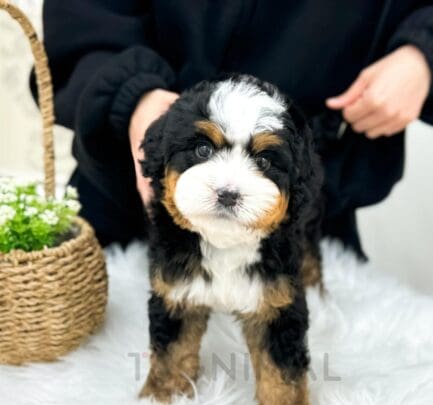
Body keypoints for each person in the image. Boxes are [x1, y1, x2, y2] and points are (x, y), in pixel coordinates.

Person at [32, 1, 433, 255]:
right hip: (127, 199)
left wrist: (422, 53)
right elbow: (84, 17)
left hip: (308, 223)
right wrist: (133, 98)